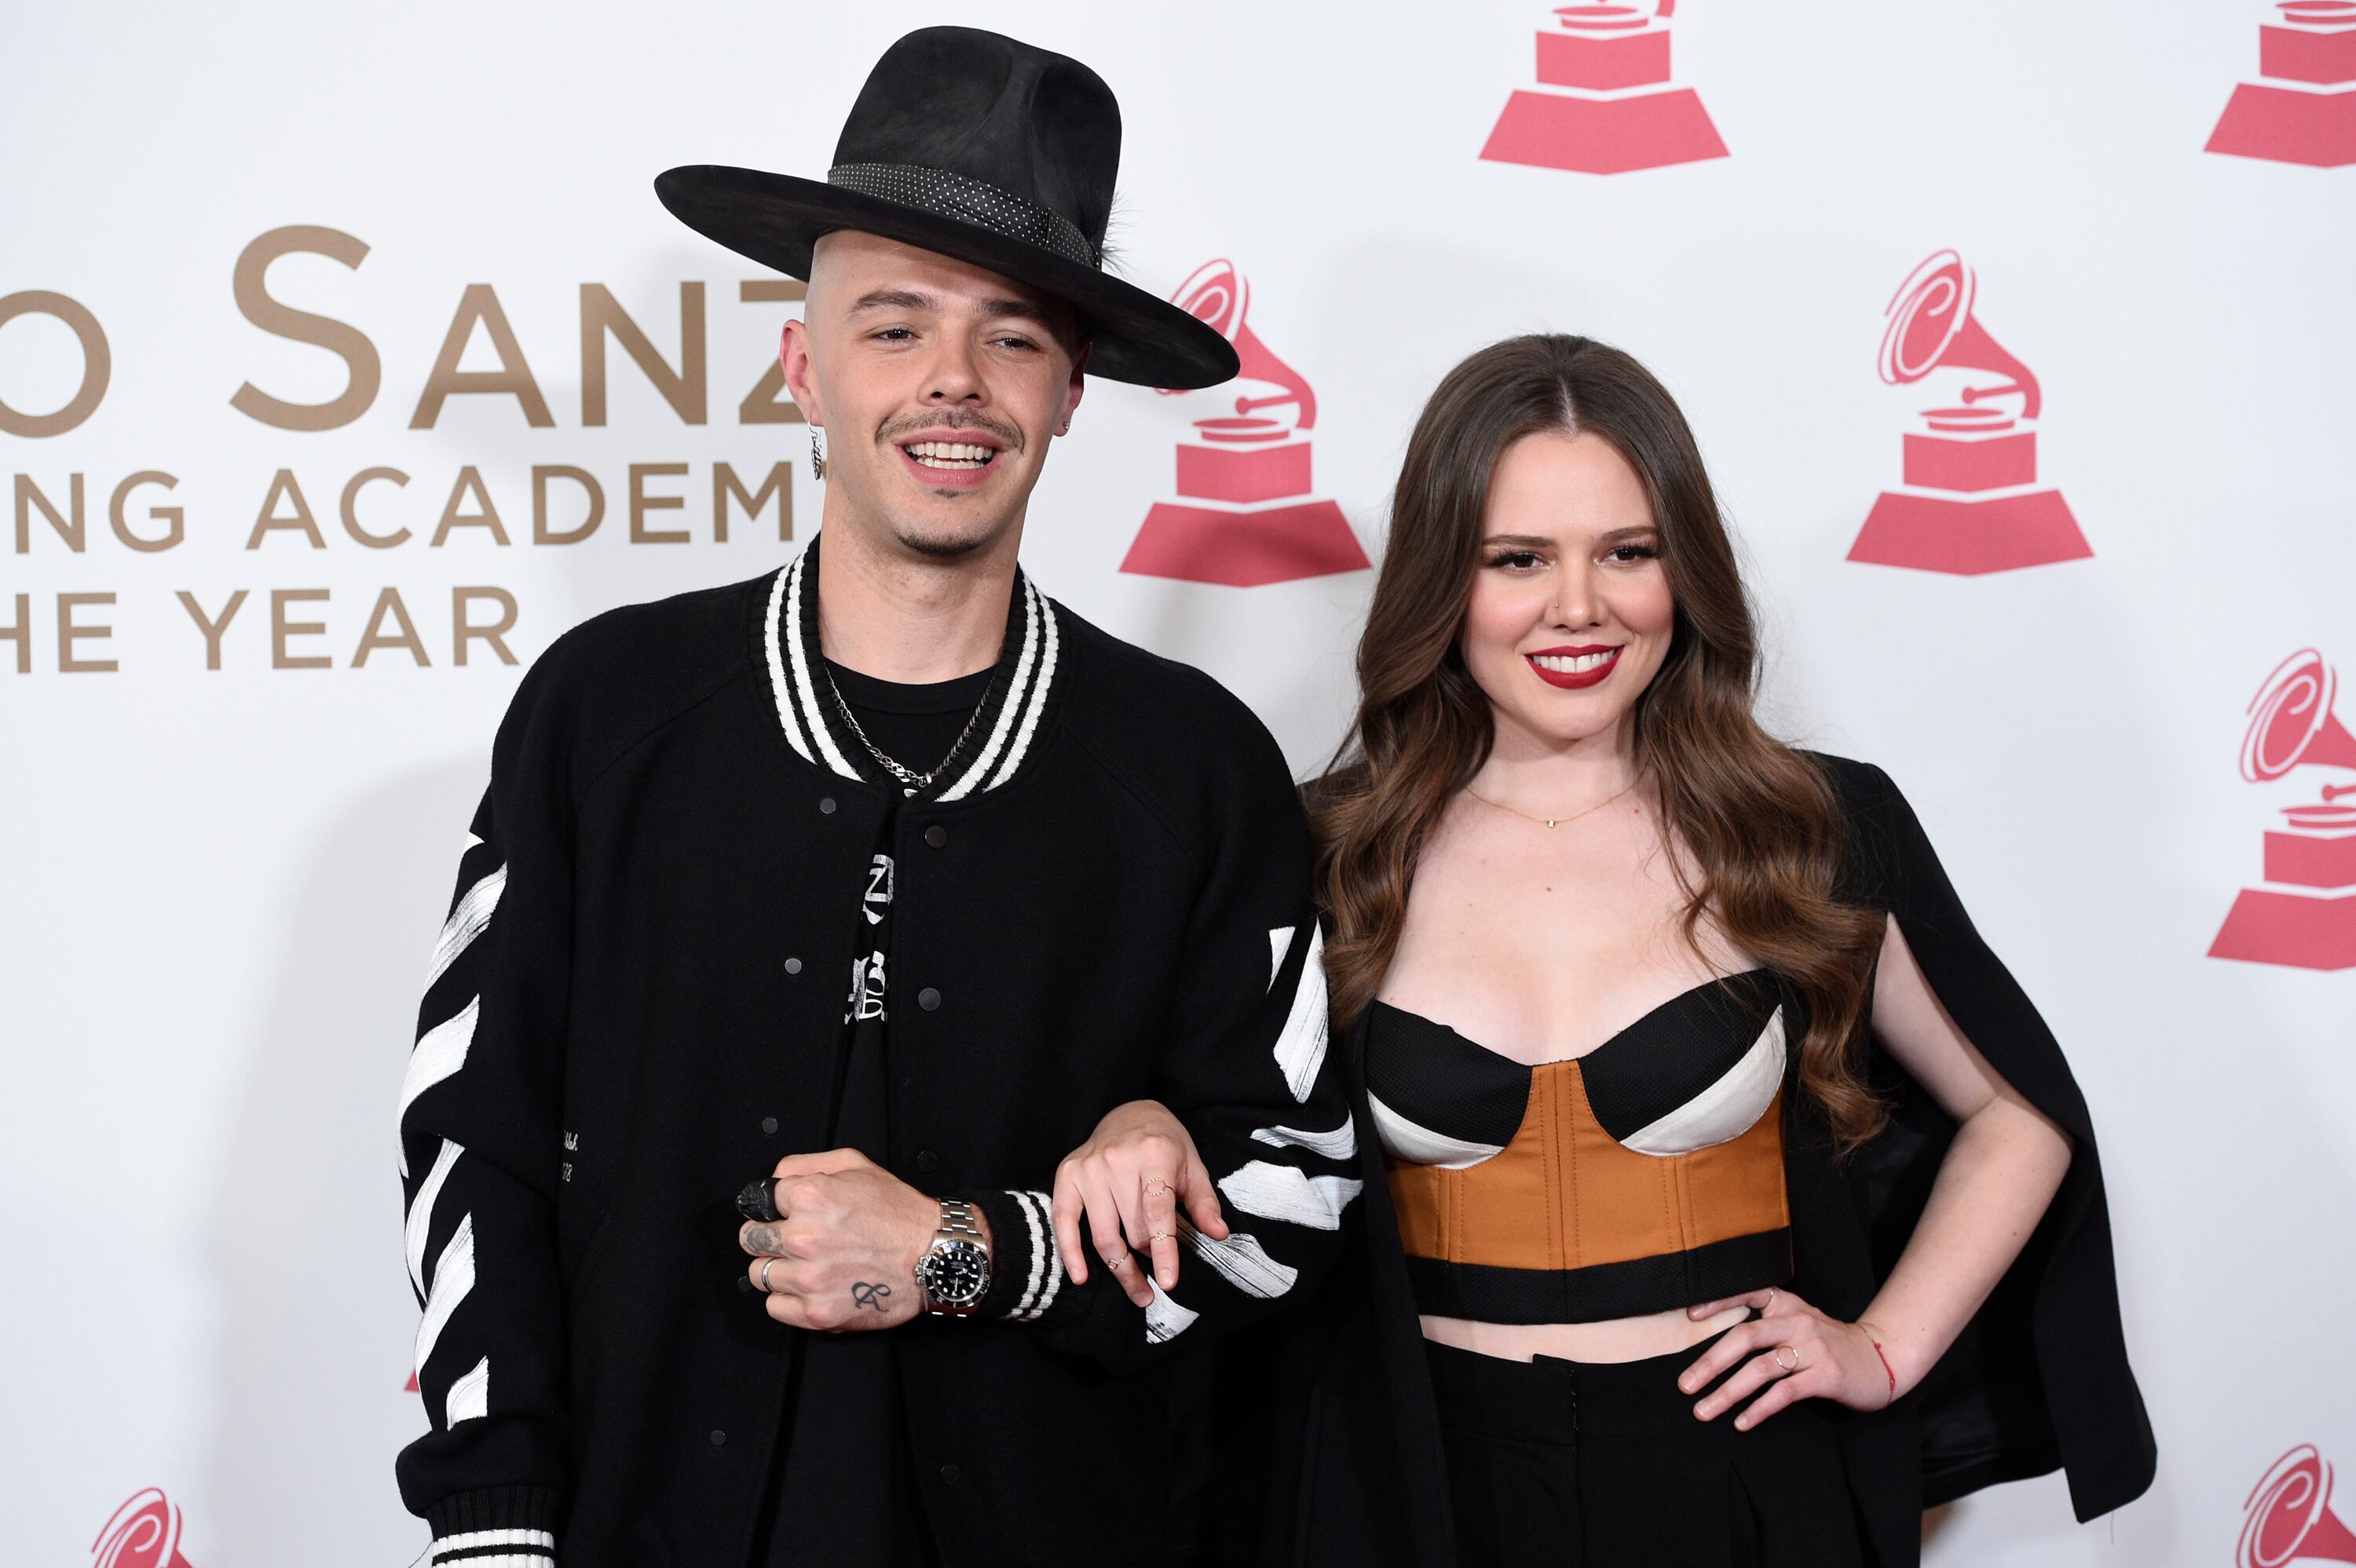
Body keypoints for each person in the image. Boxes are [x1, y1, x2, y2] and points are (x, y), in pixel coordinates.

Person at [392, 28, 1358, 1567]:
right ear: (805, 367)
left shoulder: (1192, 767)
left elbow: (1292, 1194)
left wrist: (972, 1253)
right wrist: (493, 1527)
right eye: (895, 326)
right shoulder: (605, 715)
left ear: (1071, 392)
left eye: (1013, 338)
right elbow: (472, 1136)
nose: (953, 382)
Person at [1062, 334, 2155, 1565]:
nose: (1578, 606)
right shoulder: (1325, 851)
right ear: (1442, 579)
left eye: (1628, 552)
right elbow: (1210, 1118)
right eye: (1518, 558)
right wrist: (1135, 1117)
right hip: (1409, 1486)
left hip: (1743, 1486)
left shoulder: (1812, 828)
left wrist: (1883, 1347)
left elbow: (2019, 1115)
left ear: (1685, 571)